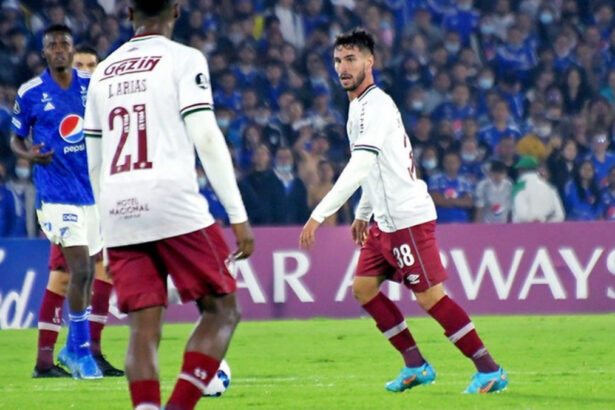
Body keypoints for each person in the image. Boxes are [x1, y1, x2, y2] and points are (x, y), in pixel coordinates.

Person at [299, 29, 508, 395]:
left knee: (430, 297)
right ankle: (415, 365)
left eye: (351, 59)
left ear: (370, 61)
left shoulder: (376, 105)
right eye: (337, 60)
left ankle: (490, 371)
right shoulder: (358, 107)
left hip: (406, 219)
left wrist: (320, 213)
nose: (343, 67)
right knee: (363, 289)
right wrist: (363, 211)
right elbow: (373, 166)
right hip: (383, 219)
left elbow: (361, 164)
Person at [84, 1, 254, 409]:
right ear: (176, 11)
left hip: (117, 206)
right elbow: (207, 138)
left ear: (129, 13)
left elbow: (93, 159)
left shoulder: (102, 72)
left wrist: (104, 228)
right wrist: (238, 216)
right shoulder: (183, 59)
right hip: (172, 202)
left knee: (144, 326)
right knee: (222, 310)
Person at [11, 24, 103, 379]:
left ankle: (70, 349)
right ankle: (80, 353)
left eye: (65, 43)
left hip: (91, 193)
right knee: (79, 270)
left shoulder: (90, 86)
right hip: (55, 194)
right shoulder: (31, 92)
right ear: (45, 52)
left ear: (71, 48)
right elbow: (16, 138)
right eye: (53, 45)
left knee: (88, 274)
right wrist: (29, 154)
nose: (60, 49)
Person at [511, 156, 565, 223]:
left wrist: (539, 219)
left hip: (522, 230)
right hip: (547, 231)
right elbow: (560, 215)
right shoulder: (550, 187)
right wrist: (545, 220)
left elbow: (521, 215)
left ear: (521, 170)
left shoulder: (519, 187)